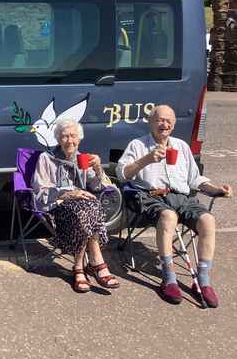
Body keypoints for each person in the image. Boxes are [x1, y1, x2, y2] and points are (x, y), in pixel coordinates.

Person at [116, 104, 232, 307]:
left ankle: (202, 281)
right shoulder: (138, 145)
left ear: (174, 125)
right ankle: (168, 278)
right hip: (149, 196)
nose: (164, 124)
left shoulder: (181, 146)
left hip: (181, 197)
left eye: (169, 120)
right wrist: (147, 159)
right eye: (160, 119)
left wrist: (217, 190)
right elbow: (122, 174)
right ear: (150, 122)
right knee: (168, 216)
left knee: (207, 220)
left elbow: (196, 180)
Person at [32, 117, 120, 293]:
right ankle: (96, 264)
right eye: (65, 136)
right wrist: (68, 194)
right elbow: (39, 191)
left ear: (79, 138)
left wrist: (97, 170)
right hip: (56, 207)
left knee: (89, 205)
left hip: (82, 212)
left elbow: (97, 187)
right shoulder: (46, 158)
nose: (69, 140)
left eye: (73, 136)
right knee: (86, 208)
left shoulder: (82, 159)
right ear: (58, 139)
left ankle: (79, 267)